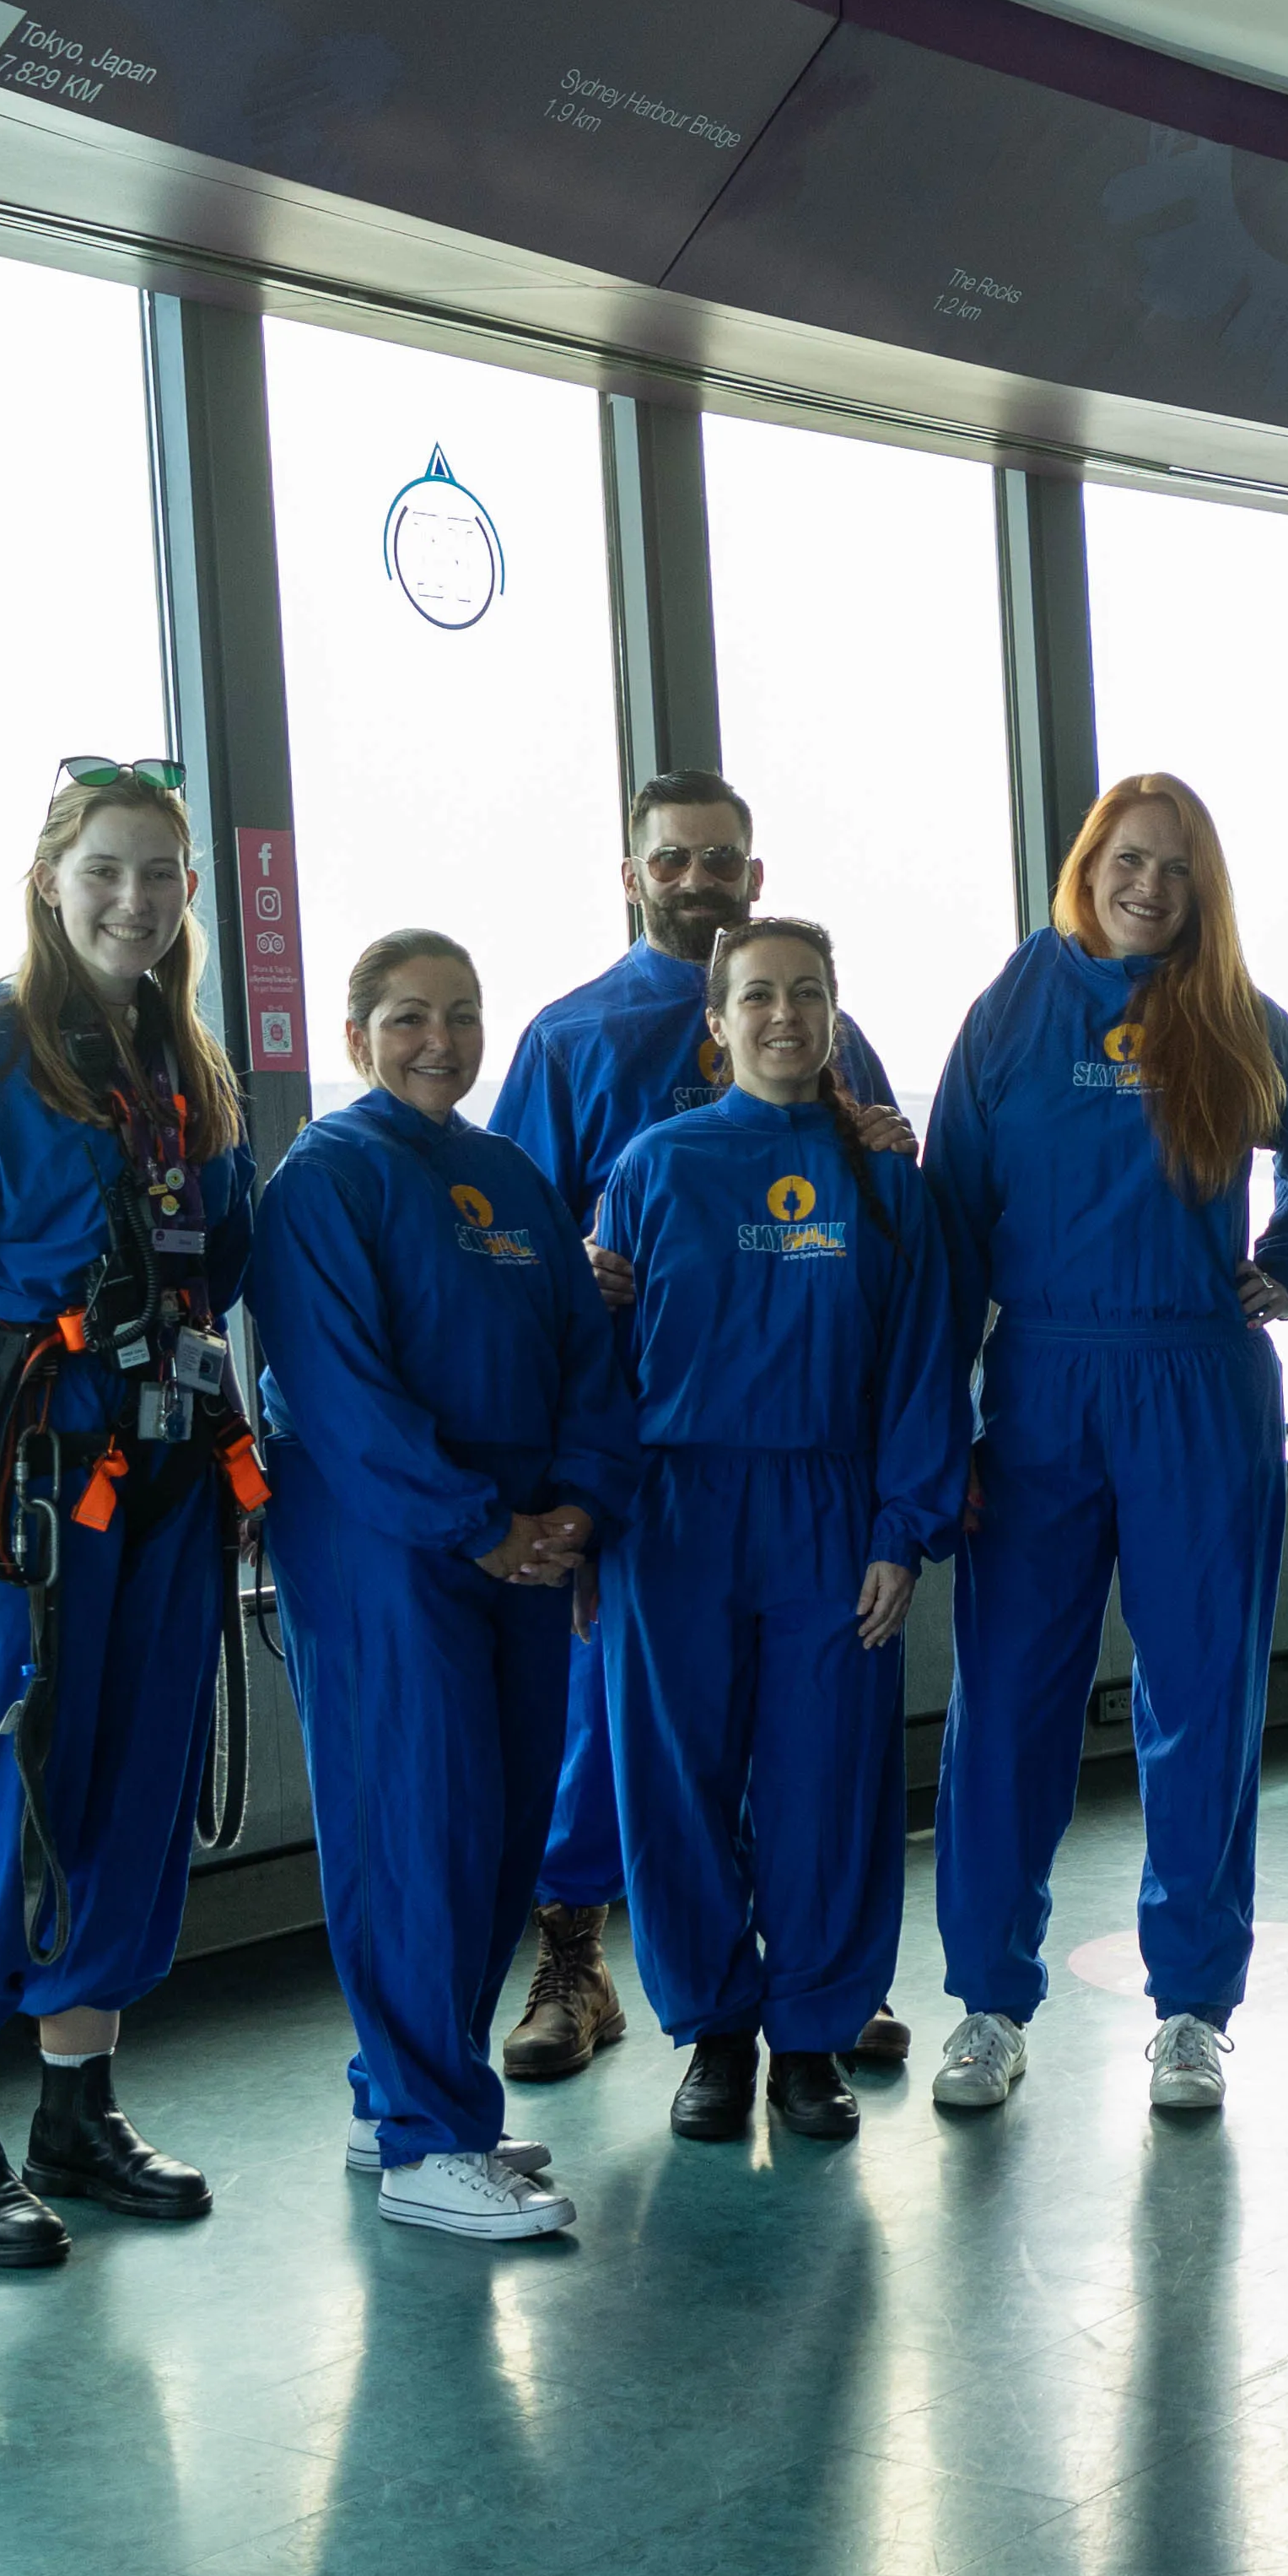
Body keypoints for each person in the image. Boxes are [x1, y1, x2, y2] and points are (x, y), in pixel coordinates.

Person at [0, 759, 259, 2269]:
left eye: (159, 872)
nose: (133, 899)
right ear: (50, 879)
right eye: (106, 870)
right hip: (21, 1478)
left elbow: (223, 1265)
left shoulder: (184, 1063)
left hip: (163, 1471)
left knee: (137, 1783)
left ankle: (76, 2109)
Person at [923, 775, 1288, 2119]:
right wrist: (944, 1425)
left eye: (1176, 868)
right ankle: (989, 2000)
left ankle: (1193, 2008)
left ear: (1203, 890)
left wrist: (1284, 1267)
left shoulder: (1237, 1020)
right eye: (1127, 858)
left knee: (1203, 1705)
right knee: (1010, 1704)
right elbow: (946, 1223)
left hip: (1197, 1383)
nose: (1148, 885)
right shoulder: (1013, 1011)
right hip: (1043, 1380)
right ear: (1087, 863)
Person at [488, 770, 913, 2087]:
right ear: (634, 875)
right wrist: (581, 1275)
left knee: (814, 1755)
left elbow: (899, 1272)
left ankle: (818, 1990)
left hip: (814, 1472)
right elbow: (504, 1238)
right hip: (656, 1465)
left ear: (754, 875)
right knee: (626, 1757)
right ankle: (589, 1967)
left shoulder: (845, 1062)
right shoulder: (570, 1043)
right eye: (671, 859)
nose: (696, 876)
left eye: (719, 857)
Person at [245, 932, 639, 2243]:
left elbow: (587, 1357)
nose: (440, 1042)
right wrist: (477, 1525)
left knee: (504, 1826)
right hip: (392, 1554)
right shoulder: (325, 1182)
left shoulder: (508, 1176)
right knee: (416, 1828)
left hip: (523, 1551)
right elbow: (341, 1396)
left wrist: (577, 1506)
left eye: (462, 1017)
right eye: (409, 1018)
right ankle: (430, 2144)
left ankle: (400, 2093)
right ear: (357, 1037)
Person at [600, 917, 967, 2150]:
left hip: (832, 1512)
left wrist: (901, 1530)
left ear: (835, 1014)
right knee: (677, 1777)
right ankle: (713, 2031)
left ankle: (812, 2033)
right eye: (756, 996)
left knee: (828, 1781)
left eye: (807, 994)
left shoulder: (884, 1179)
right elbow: (599, 1363)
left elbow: (926, 1364)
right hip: (676, 1512)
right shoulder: (654, 1167)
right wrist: (593, 1517)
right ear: (716, 1023)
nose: (783, 1017)